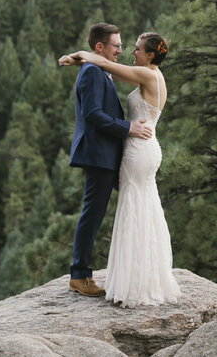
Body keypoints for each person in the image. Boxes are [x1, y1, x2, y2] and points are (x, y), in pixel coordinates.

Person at [60, 32, 181, 306]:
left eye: (136, 49)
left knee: (134, 207)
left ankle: (134, 281)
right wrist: (82, 59)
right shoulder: (151, 75)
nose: (130, 52)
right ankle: (144, 276)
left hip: (139, 148)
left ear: (150, 55)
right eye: (124, 47)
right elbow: (103, 66)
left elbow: (103, 64)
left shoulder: (148, 76)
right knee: (142, 207)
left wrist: (78, 56)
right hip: (144, 147)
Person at [65, 23, 153, 297]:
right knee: (92, 213)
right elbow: (92, 113)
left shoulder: (97, 68)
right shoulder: (92, 72)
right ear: (99, 47)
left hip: (107, 153)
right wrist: (128, 128)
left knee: (132, 206)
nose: (120, 50)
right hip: (98, 153)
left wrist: (75, 56)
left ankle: (135, 269)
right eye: (116, 45)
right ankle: (79, 276)